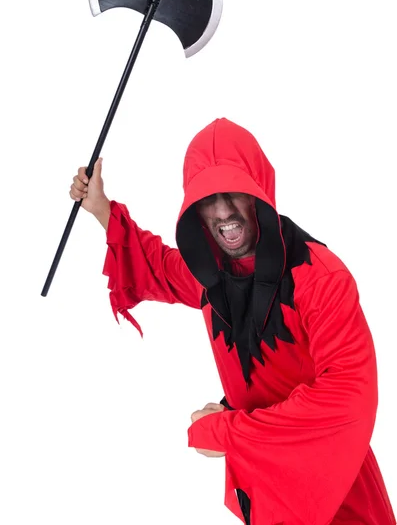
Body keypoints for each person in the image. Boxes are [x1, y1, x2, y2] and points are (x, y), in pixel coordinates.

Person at [70, 117, 395, 525]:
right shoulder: (212, 274)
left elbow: (347, 401)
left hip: (336, 492)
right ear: (193, 209)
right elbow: (159, 266)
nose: (223, 211)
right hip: (270, 495)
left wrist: (227, 431)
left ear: (258, 192)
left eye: (233, 193)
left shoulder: (321, 279)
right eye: (208, 197)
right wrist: (101, 208)